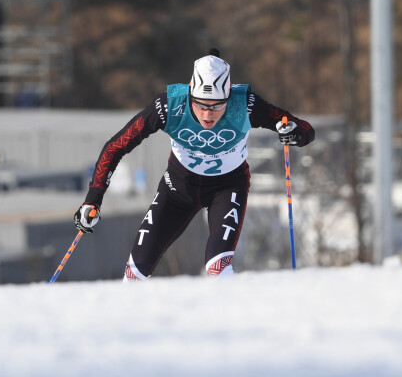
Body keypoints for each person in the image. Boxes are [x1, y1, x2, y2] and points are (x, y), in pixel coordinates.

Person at [74, 49, 315, 280]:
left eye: (218, 106)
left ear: (229, 94)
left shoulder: (246, 104)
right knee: (135, 273)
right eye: (200, 105)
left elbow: (302, 129)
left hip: (228, 187)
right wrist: (93, 199)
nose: (208, 114)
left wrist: (293, 133)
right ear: (190, 93)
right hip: (178, 188)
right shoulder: (169, 106)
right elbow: (115, 146)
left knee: (217, 269)